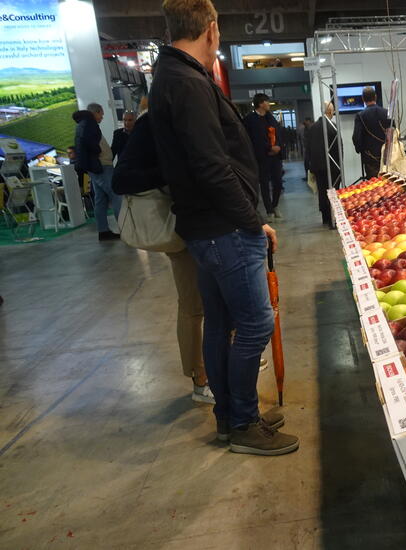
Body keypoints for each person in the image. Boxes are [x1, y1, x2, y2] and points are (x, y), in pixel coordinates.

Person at [149, 0, 298, 456]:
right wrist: (253, 222)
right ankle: (244, 422)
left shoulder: (170, 78)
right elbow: (213, 167)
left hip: (205, 228)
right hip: (224, 229)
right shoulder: (188, 82)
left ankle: (230, 419)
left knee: (220, 324)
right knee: (255, 324)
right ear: (211, 29)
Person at [111, 106, 213, 404]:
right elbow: (122, 180)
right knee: (193, 305)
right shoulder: (153, 123)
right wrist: (172, 172)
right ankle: (200, 378)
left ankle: (224, 364)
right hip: (180, 229)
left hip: (213, 222)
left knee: (222, 300)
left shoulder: (191, 114)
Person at [72, 102, 121, 240]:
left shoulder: (82, 124)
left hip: (95, 167)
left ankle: (103, 231)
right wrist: (99, 151)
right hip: (101, 166)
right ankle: (125, 228)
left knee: (100, 200)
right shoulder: (89, 124)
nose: (102, 117)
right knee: (116, 195)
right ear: (96, 112)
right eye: (101, 114)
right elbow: (91, 144)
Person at [243, 93, 284, 221]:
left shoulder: (270, 117)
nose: (268, 104)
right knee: (264, 183)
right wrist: (268, 148)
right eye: (267, 102)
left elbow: (278, 132)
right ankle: (269, 211)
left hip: (275, 156)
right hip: (262, 157)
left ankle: (275, 205)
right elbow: (253, 139)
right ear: (260, 103)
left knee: (278, 181)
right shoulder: (250, 119)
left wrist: (278, 146)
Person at [309, 102, 340, 227]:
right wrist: (340, 168)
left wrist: (311, 168)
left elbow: (309, 149)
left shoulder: (313, 127)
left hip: (317, 167)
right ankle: (333, 220)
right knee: (333, 193)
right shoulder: (333, 127)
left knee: (322, 192)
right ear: (330, 112)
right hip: (332, 167)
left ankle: (325, 218)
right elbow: (338, 149)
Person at [352, 86, 389, 179]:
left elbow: (356, 137)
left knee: (373, 187)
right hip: (387, 156)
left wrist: (360, 149)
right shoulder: (386, 112)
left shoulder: (360, 116)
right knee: (389, 185)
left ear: (363, 99)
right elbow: (395, 132)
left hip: (370, 158)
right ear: (375, 97)